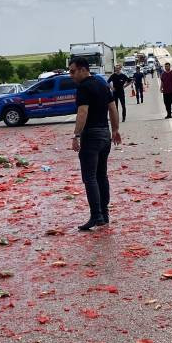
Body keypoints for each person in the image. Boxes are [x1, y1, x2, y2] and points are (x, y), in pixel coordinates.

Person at [70, 56, 122, 231]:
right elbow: (113, 108)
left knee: (90, 177)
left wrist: (76, 135)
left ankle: (96, 215)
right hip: (105, 134)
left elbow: (82, 112)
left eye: (73, 71)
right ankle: (104, 214)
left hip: (91, 135)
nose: (71, 75)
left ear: (83, 70)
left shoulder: (83, 88)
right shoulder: (102, 84)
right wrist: (115, 130)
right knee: (102, 175)